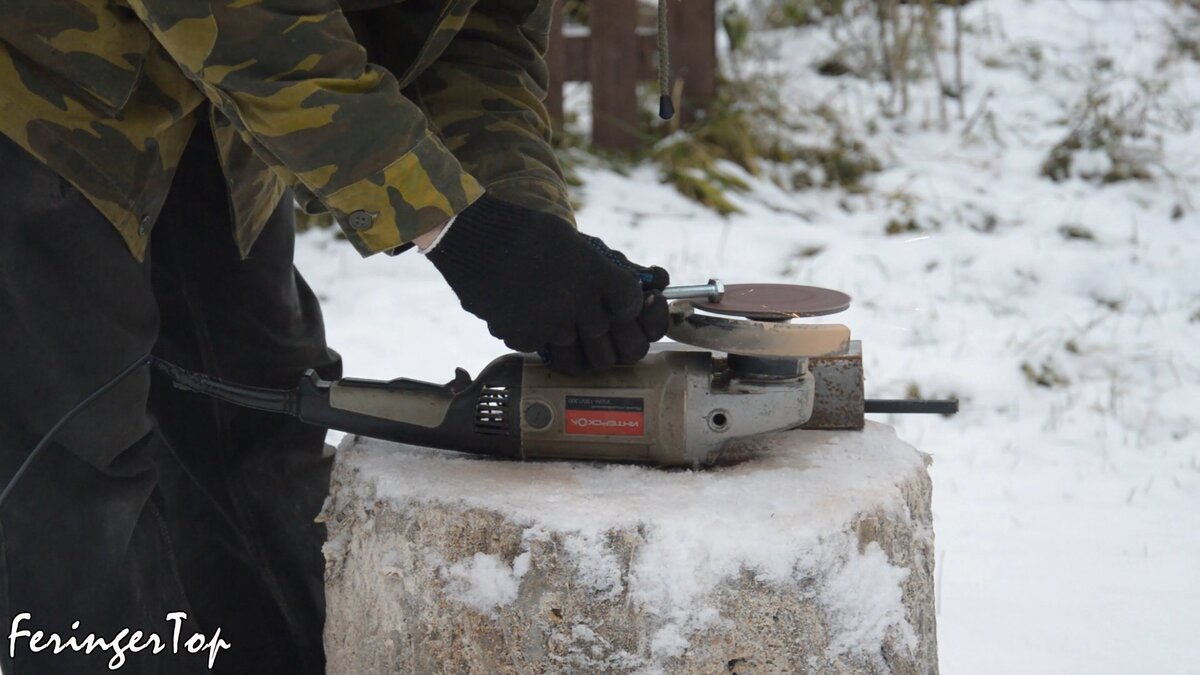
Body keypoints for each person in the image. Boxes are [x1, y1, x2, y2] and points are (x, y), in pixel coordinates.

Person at [0, 1, 669, 672]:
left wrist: (533, 242)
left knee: (257, 433)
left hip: (222, 115)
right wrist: (454, 225)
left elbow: (477, 42)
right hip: (36, 84)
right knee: (72, 478)